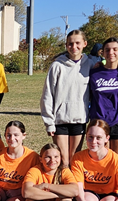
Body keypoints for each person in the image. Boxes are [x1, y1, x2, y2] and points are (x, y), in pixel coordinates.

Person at [40, 30, 102, 165]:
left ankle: (73, 185)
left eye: (77, 43)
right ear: (66, 45)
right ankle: (60, 185)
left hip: (79, 119)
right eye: (70, 43)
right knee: (63, 160)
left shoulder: (91, 64)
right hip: (60, 120)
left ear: (84, 44)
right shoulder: (57, 65)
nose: (74, 47)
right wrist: (49, 123)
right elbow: (47, 94)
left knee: (74, 159)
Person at [89, 37, 118, 156]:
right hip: (98, 123)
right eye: (107, 50)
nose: (111, 52)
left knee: (116, 160)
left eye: (115, 49)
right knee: (101, 159)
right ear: (102, 52)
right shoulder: (94, 72)